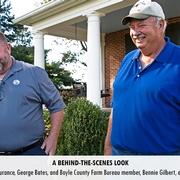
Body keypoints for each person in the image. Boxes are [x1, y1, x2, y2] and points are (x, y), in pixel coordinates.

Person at [104, 0, 180, 155]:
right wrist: (108, 148)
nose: (135, 32)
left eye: (142, 25)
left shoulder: (177, 59)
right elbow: (116, 108)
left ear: (160, 25)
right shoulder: (127, 59)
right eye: (132, 27)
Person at [0, 31, 66, 155]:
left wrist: (53, 138)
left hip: (30, 154)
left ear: (8, 48)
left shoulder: (35, 73)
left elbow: (57, 106)